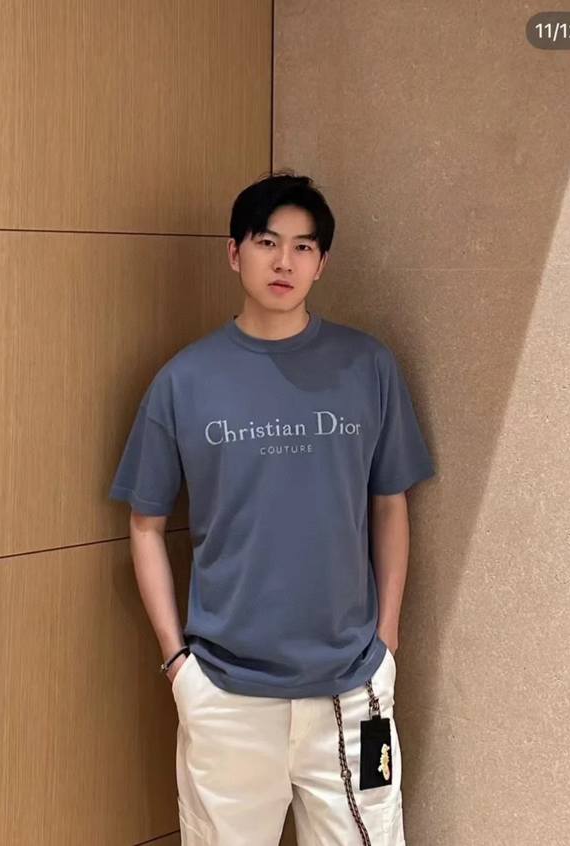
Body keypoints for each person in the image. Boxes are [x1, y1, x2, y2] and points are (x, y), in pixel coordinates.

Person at [108, 171, 436, 845]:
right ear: (235, 253)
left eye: (303, 247)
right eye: (267, 242)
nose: (284, 262)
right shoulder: (184, 381)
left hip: (352, 690)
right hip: (225, 692)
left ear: (322, 263)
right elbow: (144, 524)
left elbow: (390, 504)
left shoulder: (367, 366)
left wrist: (387, 639)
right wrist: (178, 665)